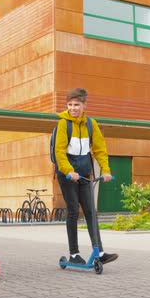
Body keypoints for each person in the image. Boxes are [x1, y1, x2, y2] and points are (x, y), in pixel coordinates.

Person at [54, 88, 118, 265]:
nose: (73, 108)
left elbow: (99, 149)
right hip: (67, 174)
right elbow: (59, 151)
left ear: (84, 105)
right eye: (70, 105)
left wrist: (105, 170)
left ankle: (99, 251)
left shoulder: (91, 124)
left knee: (91, 211)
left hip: (84, 173)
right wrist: (68, 171)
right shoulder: (63, 124)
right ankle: (74, 254)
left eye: (76, 105)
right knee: (73, 210)